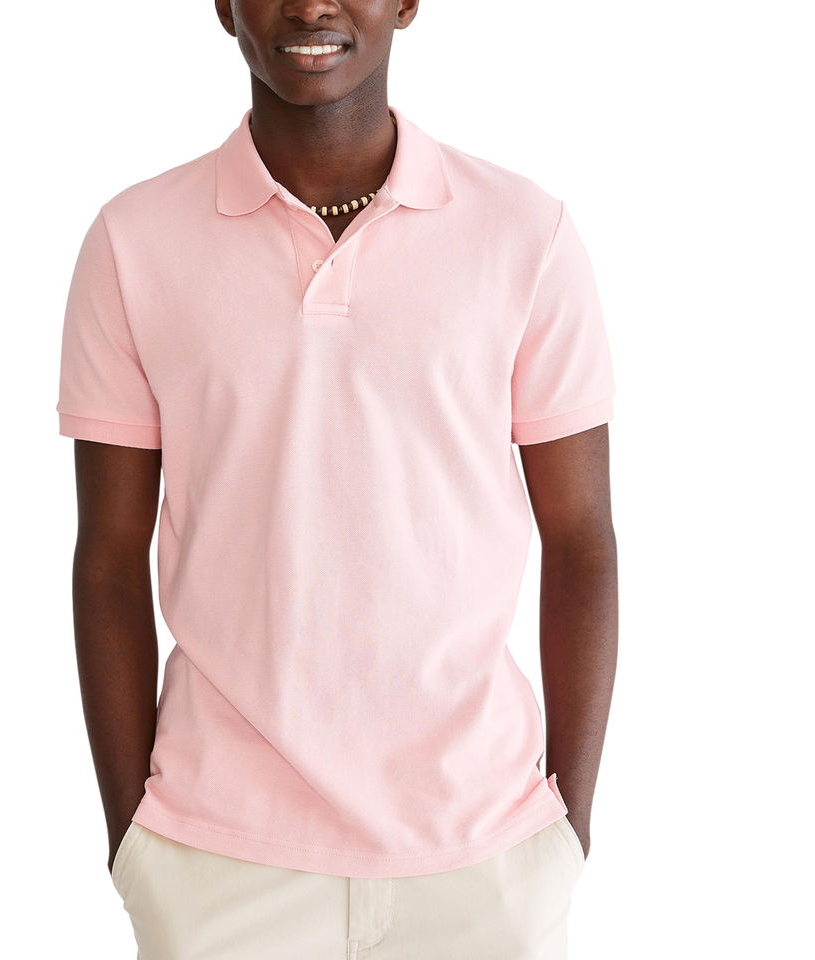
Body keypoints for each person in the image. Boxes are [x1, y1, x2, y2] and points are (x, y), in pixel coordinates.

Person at [55, 2, 618, 957]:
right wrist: (134, 845)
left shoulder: (527, 233)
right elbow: (107, 558)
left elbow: (582, 537)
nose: (311, 5)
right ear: (224, 7)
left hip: (484, 858)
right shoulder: (132, 241)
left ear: (407, 3)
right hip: (217, 858)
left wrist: (566, 832)